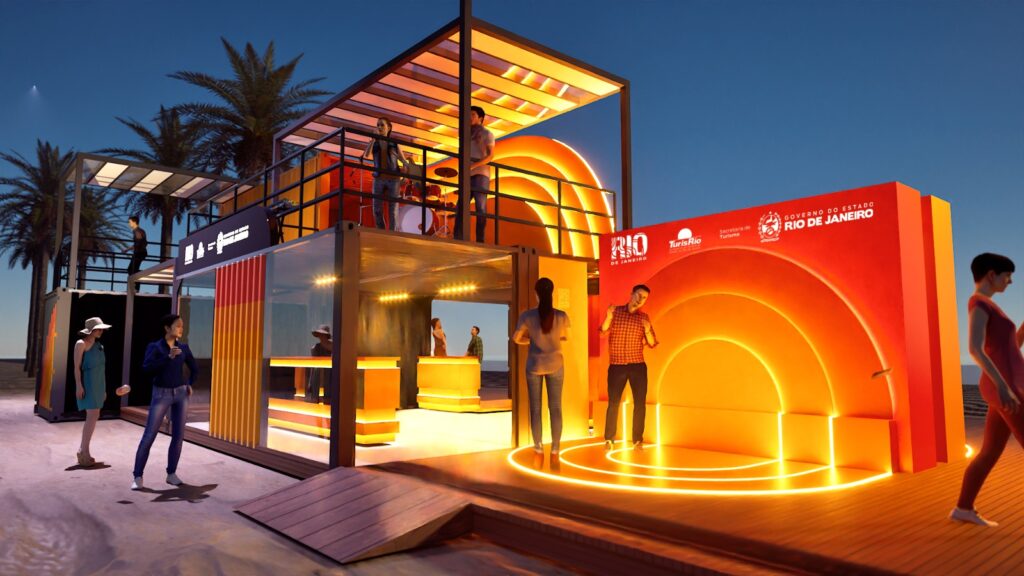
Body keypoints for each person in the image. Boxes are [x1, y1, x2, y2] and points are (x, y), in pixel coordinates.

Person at [951, 253, 1024, 526]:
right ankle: (963, 508)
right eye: (1008, 276)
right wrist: (1003, 387)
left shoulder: (991, 305)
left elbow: (1010, 347)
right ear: (992, 275)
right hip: (1007, 387)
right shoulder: (979, 303)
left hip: (1007, 385)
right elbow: (974, 348)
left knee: (990, 452)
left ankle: (963, 508)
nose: (1010, 281)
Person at [132, 313, 198, 490]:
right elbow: (146, 369)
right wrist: (167, 357)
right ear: (167, 328)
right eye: (178, 326)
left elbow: (194, 369)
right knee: (149, 435)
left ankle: (171, 473)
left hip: (181, 395)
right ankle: (137, 476)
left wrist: (189, 384)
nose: (181, 329)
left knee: (178, 436)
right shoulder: (155, 347)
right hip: (161, 394)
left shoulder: (183, 347)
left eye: (182, 325)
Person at [513, 278, 570, 458]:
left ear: (536, 294)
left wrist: (531, 340)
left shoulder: (527, 316)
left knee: (535, 408)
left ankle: (538, 445)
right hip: (556, 364)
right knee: (556, 407)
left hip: (534, 365)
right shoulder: (562, 315)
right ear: (551, 293)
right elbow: (566, 337)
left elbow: (516, 338)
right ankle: (555, 447)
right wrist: (553, 339)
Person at [601, 284, 658, 451]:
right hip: (617, 365)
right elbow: (603, 331)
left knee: (639, 403)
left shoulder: (644, 318)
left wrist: (647, 330)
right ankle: (609, 439)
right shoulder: (616, 312)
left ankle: (637, 440)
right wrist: (608, 317)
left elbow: (652, 343)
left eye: (644, 298)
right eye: (639, 295)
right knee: (613, 403)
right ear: (631, 294)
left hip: (637, 366)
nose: (640, 300)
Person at [74, 317, 112, 467]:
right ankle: (83, 451)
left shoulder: (99, 345)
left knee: (94, 416)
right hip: (88, 382)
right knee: (91, 416)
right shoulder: (81, 344)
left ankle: (84, 450)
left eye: (102, 328)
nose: (101, 331)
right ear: (90, 330)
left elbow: (102, 369)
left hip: (99, 382)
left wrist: (103, 389)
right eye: (98, 328)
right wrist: (79, 385)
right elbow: (76, 367)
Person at [454, 106, 495, 242]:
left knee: (480, 207)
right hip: (467, 175)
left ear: (480, 118)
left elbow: (490, 156)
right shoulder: (465, 135)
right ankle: (458, 237)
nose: (469, 117)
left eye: (472, 114)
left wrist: (472, 166)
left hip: (481, 174)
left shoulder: (487, 133)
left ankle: (480, 240)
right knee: (461, 206)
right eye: (468, 114)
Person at [361, 117, 410, 231]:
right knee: (377, 209)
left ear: (389, 127)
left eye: (382, 125)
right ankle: (381, 231)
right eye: (378, 125)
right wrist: (373, 140)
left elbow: (403, 161)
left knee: (393, 209)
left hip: (393, 178)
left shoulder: (394, 143)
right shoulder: (374, 143)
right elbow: (366, 155)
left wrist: (405, 175)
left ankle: (392, 233)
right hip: (378, 178)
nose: (379, 127)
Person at [306, 324, 332, 404]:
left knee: (328, 400)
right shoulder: (315, 348)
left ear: (326, 336)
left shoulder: (334, 347)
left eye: (323, 334)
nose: (321, 336)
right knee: (315, 400)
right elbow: (313, 367)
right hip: (317, 377)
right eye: (320, 334)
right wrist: (310, 382)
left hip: (329, 377)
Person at [125, 215, 148, 292]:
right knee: (132, 269)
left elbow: (139, 241)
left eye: (130, 222)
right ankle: (135, 287)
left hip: (139, 253)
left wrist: (136, 248)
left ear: (134, 222)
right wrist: (127, 249)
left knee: (131, 269)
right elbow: (143, 242)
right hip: (140, 252)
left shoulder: (136, 231)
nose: (129, 224)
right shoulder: (140, 230)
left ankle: (136, 287)